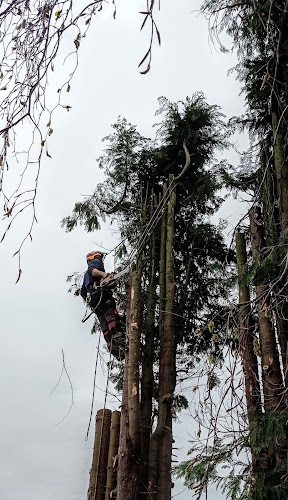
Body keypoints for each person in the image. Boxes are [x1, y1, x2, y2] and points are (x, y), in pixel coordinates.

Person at [80, 250, 125, 361]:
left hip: (94, 301)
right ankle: (119, 340)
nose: (101, 259)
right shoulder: (96, 263)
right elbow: (93, 271)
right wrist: (104, 275)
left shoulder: (86, 276)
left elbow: (82, 292)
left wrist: (90, 299)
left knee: (104, 323)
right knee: (111, 316)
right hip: (101, 297)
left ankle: (112, 346)